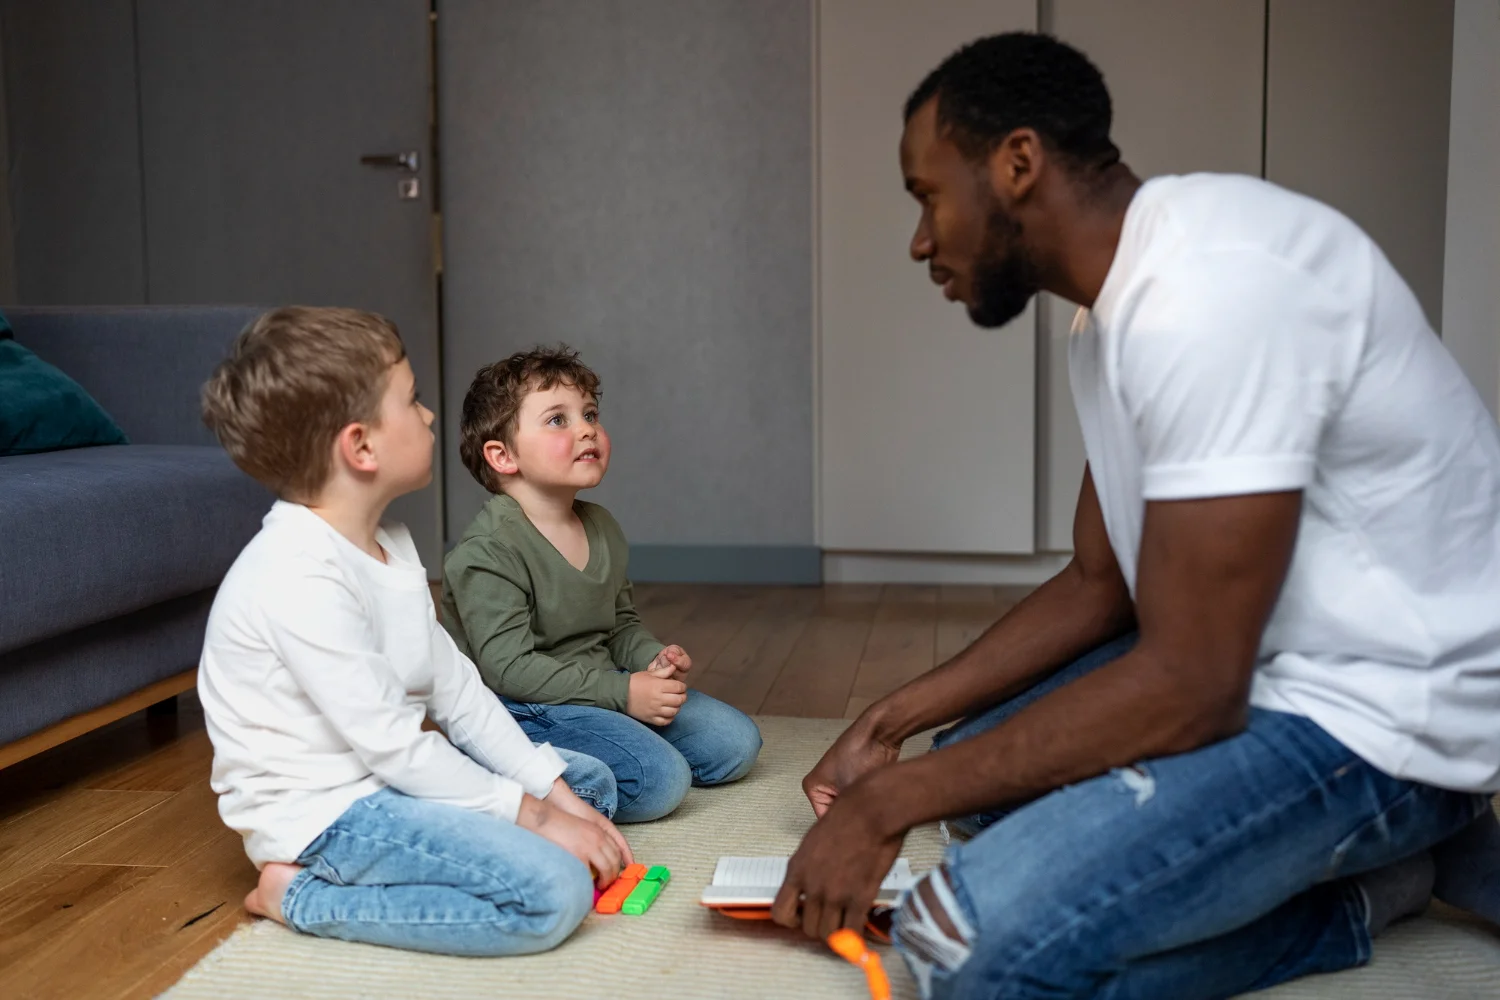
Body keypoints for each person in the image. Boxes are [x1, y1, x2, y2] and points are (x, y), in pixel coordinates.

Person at [772, 32, 1500, 999]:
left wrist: (885, 808)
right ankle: (1392, 869)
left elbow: (1195, 684)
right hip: (1276, 667)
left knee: (957, 945)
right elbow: (1099, 584)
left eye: (926, 194)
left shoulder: (1212, 292)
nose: (919, 239)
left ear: (1017, 162)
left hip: (1386, 716)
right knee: (981, 782)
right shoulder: (1109, 317)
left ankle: (1397, 854)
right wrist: (891, 725)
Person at [199, 307, 633, 957]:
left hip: (389, 779)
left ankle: (518, 824)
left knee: (585, 784)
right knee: (553, 893)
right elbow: (396, 748)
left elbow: (457, 693)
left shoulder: (388, 543)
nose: (430, 417)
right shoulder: (297, 575)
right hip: (332, 814)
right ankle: (297, 896)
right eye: (413, 400)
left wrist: (553, 797)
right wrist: (533, 816)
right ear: (361, 447)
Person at [440, 346, 762, 823]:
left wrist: (650, 660)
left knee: (736, 744)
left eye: (589, 414)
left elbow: (619, 624)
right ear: (503, 456)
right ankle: (517, 777)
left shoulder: (601, 526)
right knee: (661, 781)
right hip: (523, 707)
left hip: (599, 689)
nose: (586, 428)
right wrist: (623, 693)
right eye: (557, 419)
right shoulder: (487, 551)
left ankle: (602, 753)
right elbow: (507, 671)